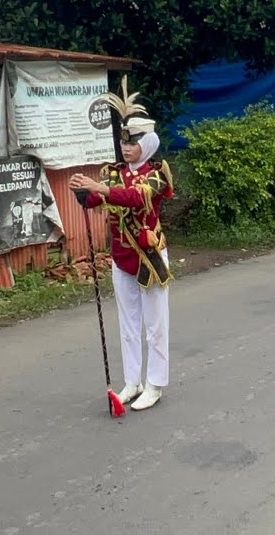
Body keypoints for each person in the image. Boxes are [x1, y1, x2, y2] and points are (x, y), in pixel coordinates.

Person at [71, 79, 175, 411]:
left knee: (155, 325)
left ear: (148, 144)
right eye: (123, 142)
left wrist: (99, 188)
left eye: (132, 143)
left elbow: (135, 197)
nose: (126, 148)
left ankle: (156, 383)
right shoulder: (112, 172)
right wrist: (82, 192)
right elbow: (97, 201)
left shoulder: (158, 173)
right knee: (128, 325)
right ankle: (133, 381)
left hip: (149, 256)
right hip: (121, 257)